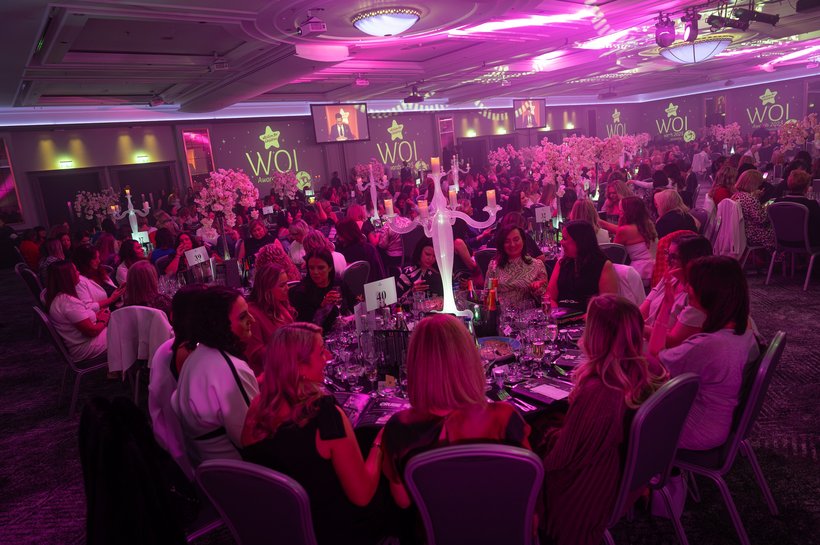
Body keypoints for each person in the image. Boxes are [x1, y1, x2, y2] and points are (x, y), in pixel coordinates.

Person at [241, 323, 389, 545]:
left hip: (281, 529)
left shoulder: (256, 409)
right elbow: (362, 495)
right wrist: (380, 444)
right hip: (331, 531)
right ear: (299, 366)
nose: (328, 357)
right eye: (321, 352)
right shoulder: (324, 414)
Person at [537, 295, 667, 545]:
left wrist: (538, 441)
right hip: (622, 471)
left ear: (596, 335)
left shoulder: (599, 391)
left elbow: (558, 460)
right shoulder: (645, 368)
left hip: (585, 491)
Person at [382, 314, 531, 508]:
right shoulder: (503, 417)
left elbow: (403, 502)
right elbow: (528, 487)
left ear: (416, 365)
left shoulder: (399, 428)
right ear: (469, 359)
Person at [657, 257, 759, 451]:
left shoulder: (711, 345)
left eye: (692, 283)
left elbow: (655, 359)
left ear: (710, 292)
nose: (687, 288)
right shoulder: (744, 331)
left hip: (696, 429)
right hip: (716, 422)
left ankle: (655, 475)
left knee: (616, 413)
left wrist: (666, 305)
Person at [172, 287, 260, 465]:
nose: (252, 320)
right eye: (243, 317)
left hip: (211, 471)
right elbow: (253, 439)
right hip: (244, 474)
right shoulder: (229, 368)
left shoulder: (197, 356)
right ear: (219, 324)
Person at [148, 285, 208, 479]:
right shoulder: (194, 355)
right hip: (195, 454)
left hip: (166, 437)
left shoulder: (164, 349)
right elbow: (206, 419)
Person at [641, 234, 712, 336]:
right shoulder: (671, 278)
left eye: (673, 257)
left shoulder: (698, 296)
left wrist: (635, 326)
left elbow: (674, 340)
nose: (667, 260)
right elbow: (643, 311)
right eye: (667, 254)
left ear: (693, 261)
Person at [547, 221, 618, 312]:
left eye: (564, 239)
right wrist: (556, 314)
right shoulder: (561, 263)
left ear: (579, 241)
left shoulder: (602, 265)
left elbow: (609, 304)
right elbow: (550, 297)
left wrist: (588, 317)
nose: (561, 242)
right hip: (561, 318)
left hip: (589, 319)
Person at [45, 260, 109, 361]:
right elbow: (91, 331)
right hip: (85, 347)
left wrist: (96, 317)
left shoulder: (59, 298)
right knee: (128, 332)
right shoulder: (69, 302)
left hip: (81, 343)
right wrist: (103, 321)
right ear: (66, 277)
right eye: (75, 271)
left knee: (123, 326)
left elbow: (79, 320)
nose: (78, 272)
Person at [245, 264, 296, 375]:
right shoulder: (252, 313)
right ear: (267, 289)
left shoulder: (280, 304)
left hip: (288, 369)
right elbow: (256, 354)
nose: (287, 288)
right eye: (282, 285)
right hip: (269, 376)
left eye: (286, 283)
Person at [485, 225, 547, 310]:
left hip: (527, 316)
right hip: (501, 316)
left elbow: (545, 300)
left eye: (516, 239)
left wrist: (537, 290)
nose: (512, 244)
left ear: (523, 241)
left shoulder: (537, 265)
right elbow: (487, 294)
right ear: (502, 244)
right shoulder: (494, 266)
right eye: (507, 241)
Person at [602, 196, 657, 286]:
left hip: (638, 273)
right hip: (653, 269)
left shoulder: (624, 230)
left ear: (626, 212)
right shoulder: (649, 224)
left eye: (621, 211)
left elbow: (615, 254)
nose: (619, 213)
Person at [288, 249, 349, 331]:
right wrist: (323, 307)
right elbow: (305, 328)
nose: (315, 272)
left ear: (330, 267)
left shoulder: (337, 283)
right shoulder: (301, 292)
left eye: (320, 268)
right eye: (311, 268)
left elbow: (353, 304)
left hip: (343, 331)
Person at [774, 170, 820, 246]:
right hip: (807, 243)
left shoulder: (777, 202)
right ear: (807, 187)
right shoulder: (811, 204)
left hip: (781, 241)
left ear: (789, 184)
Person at [73, 243, 124, 312]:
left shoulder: (99, 272)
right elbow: (87, 307)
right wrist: (111, 299)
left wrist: (120, 290)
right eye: (95, 258)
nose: (99, 261)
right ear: (85, 261)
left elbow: (111, 292)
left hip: (116, 309)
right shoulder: (79, 281)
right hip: (101, 317)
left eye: (98, 257)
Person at [732, 169, 775, 251]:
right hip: (755, 234)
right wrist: (769, 208)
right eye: (759, 184)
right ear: (754, 184)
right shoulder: (749, 198)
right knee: (781, 232)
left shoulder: (736, 195)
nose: (760, 187)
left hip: (745, 232)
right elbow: (762, 220)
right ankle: (779, 260)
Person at [335, 218, 386, 283]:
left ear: (345, 234)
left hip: (355, 287)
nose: (337, 236)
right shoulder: (369, 247)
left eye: (339, 233)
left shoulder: (348, 252)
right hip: (374, 284)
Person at [396, 238, 443, 303]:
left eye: (435, 256)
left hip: (438, 310)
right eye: (427, 254)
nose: (431, 259)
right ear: (419, 251)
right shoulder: (408, 272)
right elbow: (398, 301)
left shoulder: (439, 271)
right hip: (415, 311)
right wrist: (412, 292)